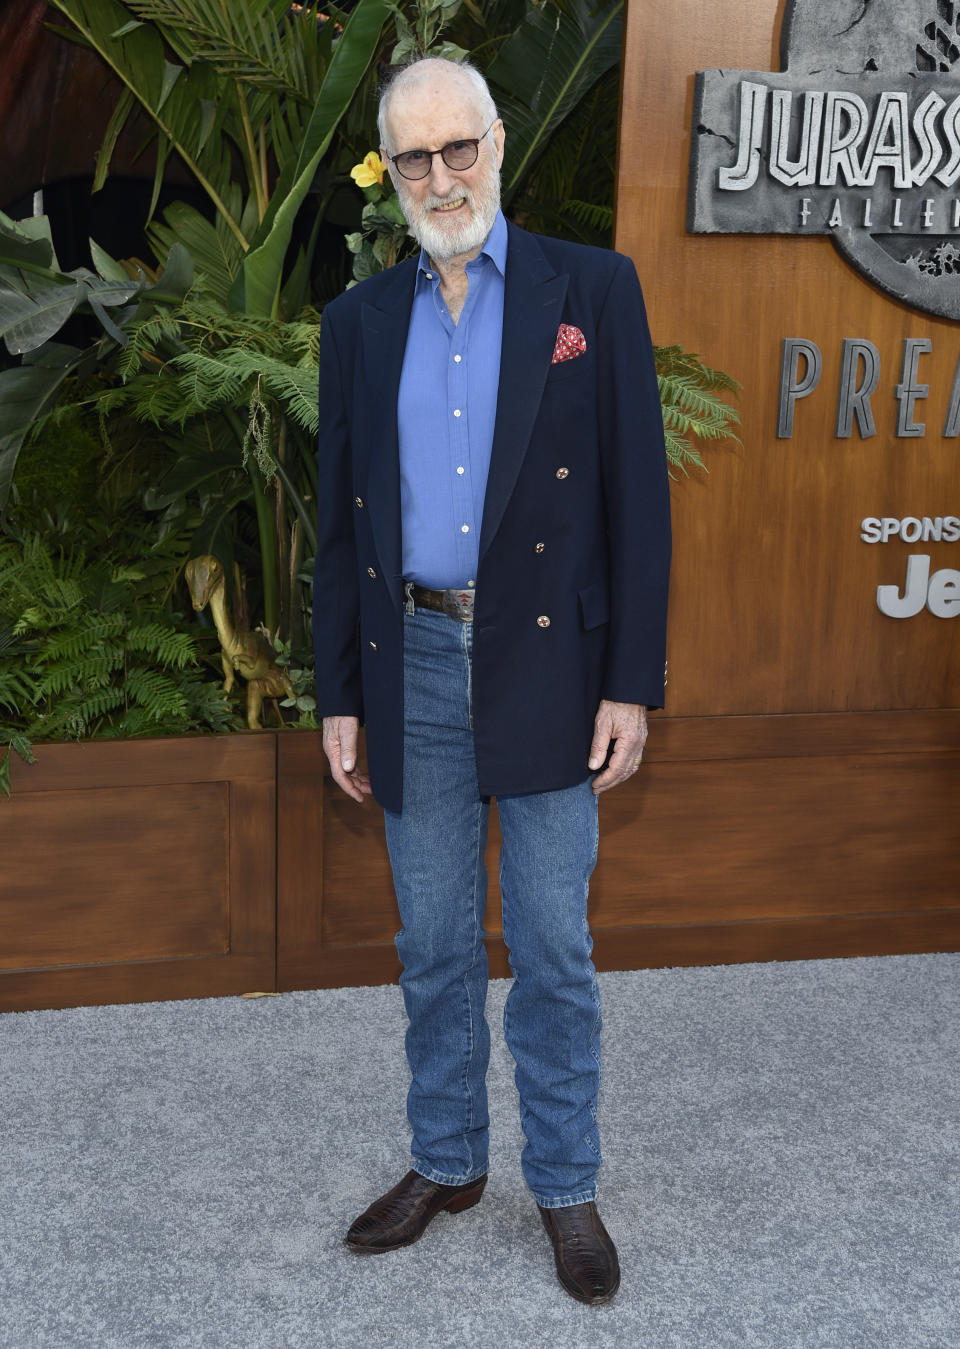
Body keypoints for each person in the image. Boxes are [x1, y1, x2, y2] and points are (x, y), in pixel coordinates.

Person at [312, 55, 670, 1306]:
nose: (441, 176)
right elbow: (340, 527)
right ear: (391, 173)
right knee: (433, 943)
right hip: (409, 659)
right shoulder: (358, 323)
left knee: (557, 946)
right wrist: (340, 693)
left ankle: (565, 1182)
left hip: (553, 665)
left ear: (499, 143)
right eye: (414, 158)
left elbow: (639, 500)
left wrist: (630, 682)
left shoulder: (594, 291)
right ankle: (447, 1160)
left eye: (458, 148)